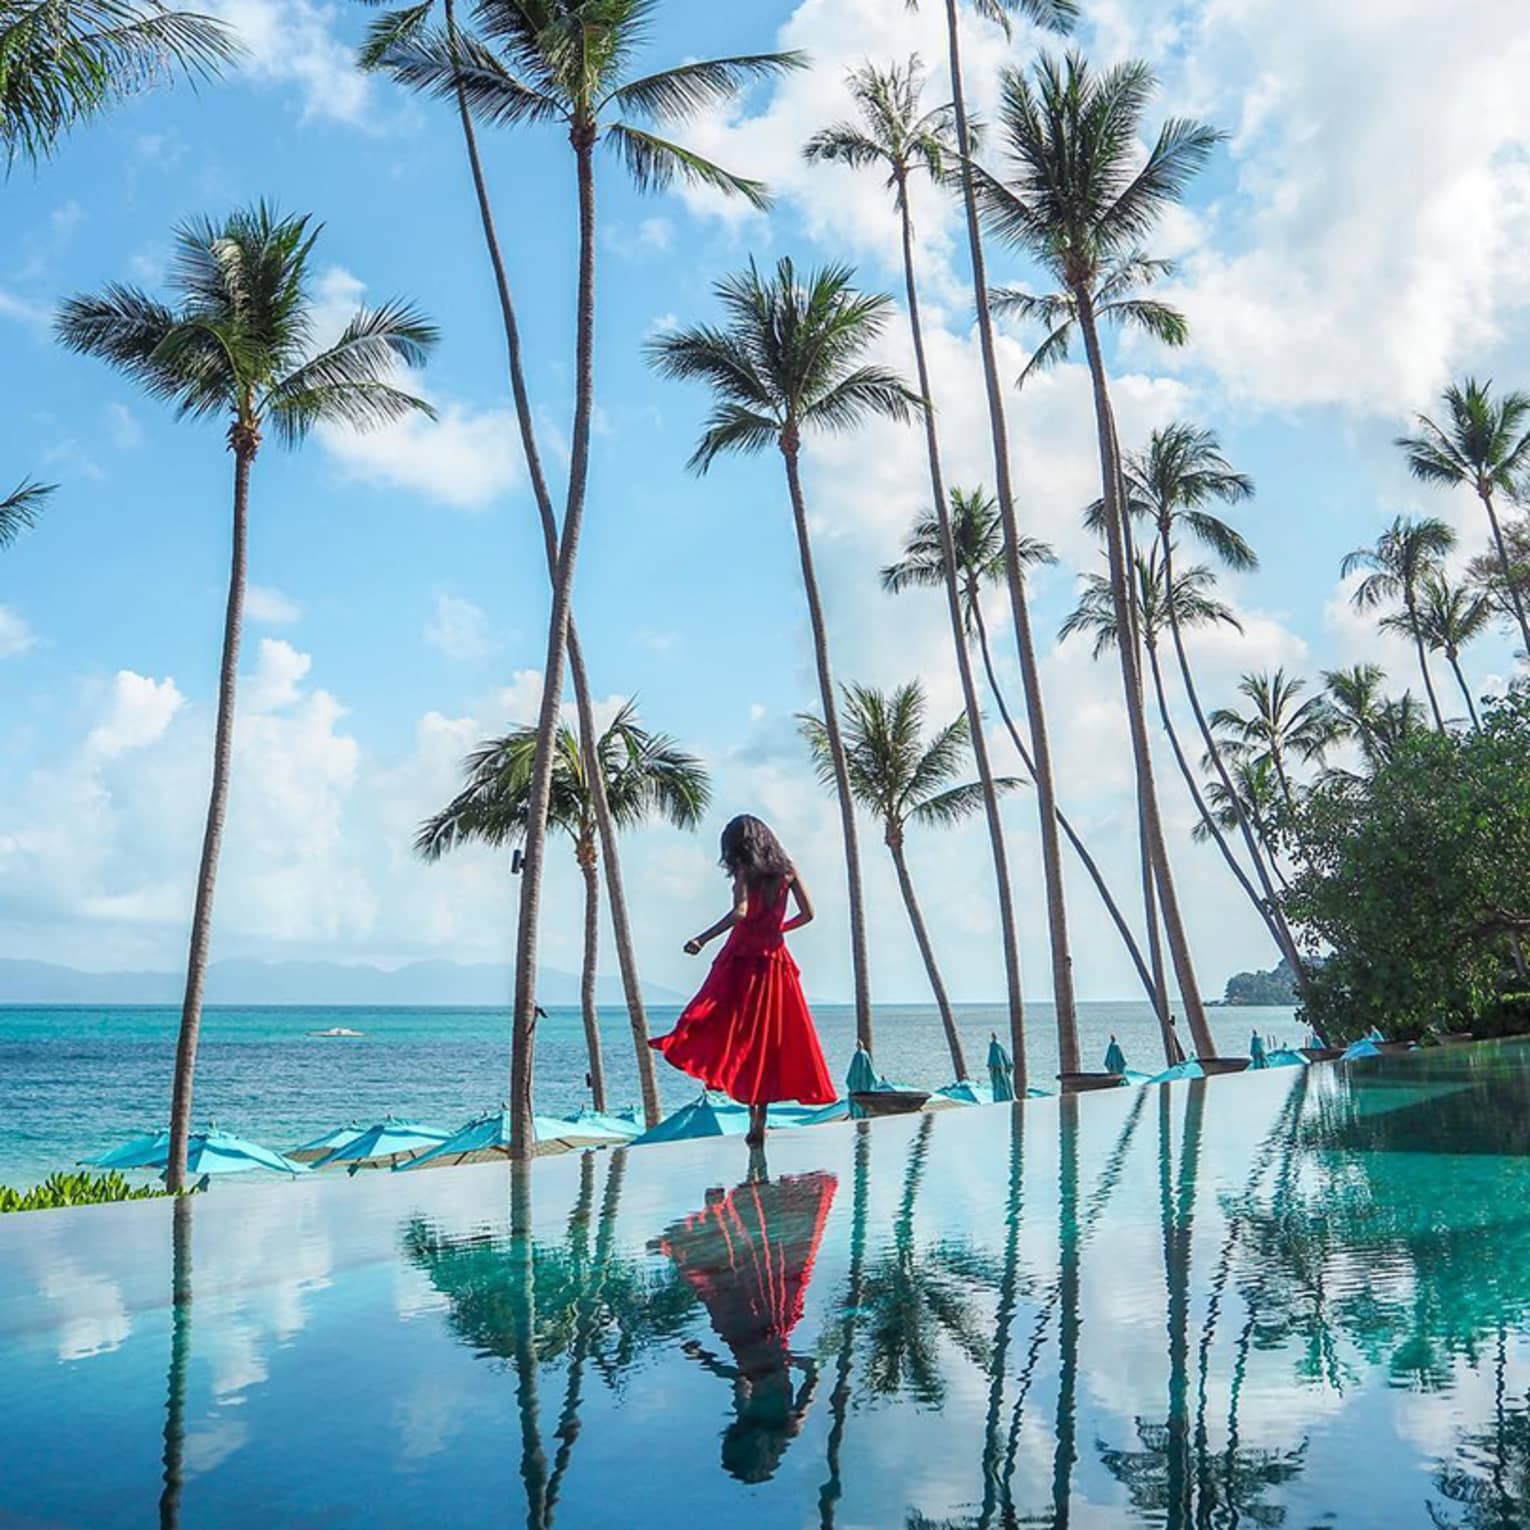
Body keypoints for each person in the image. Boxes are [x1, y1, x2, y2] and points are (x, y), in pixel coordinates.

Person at [651, 814, 836, 1145]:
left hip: (742, 959)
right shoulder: (787, 870)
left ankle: (741, 1101)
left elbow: (740, 912)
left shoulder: (744, 872)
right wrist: (779, 929)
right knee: (768, 1042)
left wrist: (702, 938)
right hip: (775, 961)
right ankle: (758, 1118)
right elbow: (809, 914)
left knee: (720, 1024)